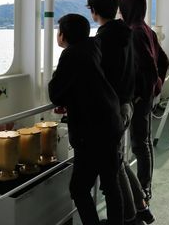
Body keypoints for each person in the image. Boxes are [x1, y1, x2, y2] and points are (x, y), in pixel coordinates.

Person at [48, 13, 124, 225]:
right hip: (110, 121)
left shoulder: (71, 54)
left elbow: (55, 94)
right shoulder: (93, 47)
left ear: (63, 35)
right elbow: (85, 81)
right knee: (110, 183)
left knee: (79, 188)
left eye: (58, 32)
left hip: (92, 131)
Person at [87, 0, 154, 225]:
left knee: (114, 166)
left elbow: (100, 77)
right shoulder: (126, 33)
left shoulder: (102, 40)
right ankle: (141, 206)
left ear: (93, 11)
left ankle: (129, 216)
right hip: (127, 103)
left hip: (111, 108)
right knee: (120, 160)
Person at [119, 0, 169, 203]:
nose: (120, 13)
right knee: (144, 142)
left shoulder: (135, 32)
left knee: (140, 144)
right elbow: (163, 61)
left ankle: (142, 191)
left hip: (140, 98)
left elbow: (148, 65)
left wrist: (143, 93)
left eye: (122, 9)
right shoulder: (147, 30)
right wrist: (157, 85)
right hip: (146, 97)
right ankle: (144, 188)